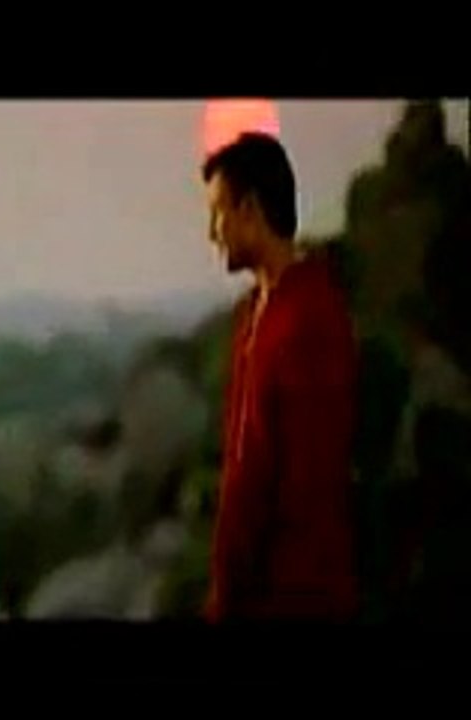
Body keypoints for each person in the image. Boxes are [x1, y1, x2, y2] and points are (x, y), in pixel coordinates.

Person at [201, 133, 360, 622]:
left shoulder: (310, 320)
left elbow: (307, 487)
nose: (212, 232)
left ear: (250, 209)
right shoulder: (254, 315)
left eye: (218, 213)